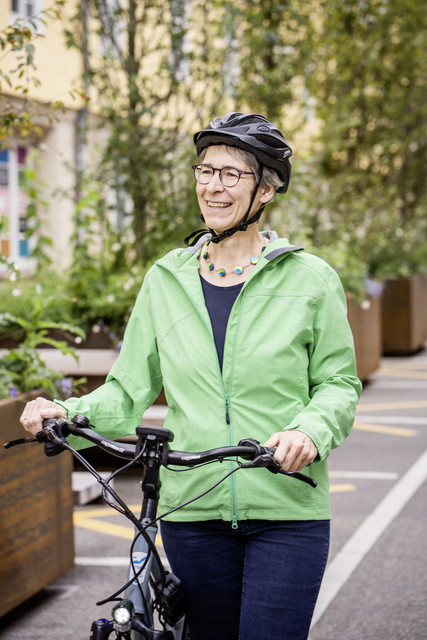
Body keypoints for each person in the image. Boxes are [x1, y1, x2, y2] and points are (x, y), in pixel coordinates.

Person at [20, 112, 362, 640]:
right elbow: (128, 389)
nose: (213, 186)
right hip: (192, 511)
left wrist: (309, 433)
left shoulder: (311, 279)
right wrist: (65, 411)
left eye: (231, 174)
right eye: (205, 171)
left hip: (288, 506)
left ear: (266, 189)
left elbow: (338, 384)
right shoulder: (165, 278)